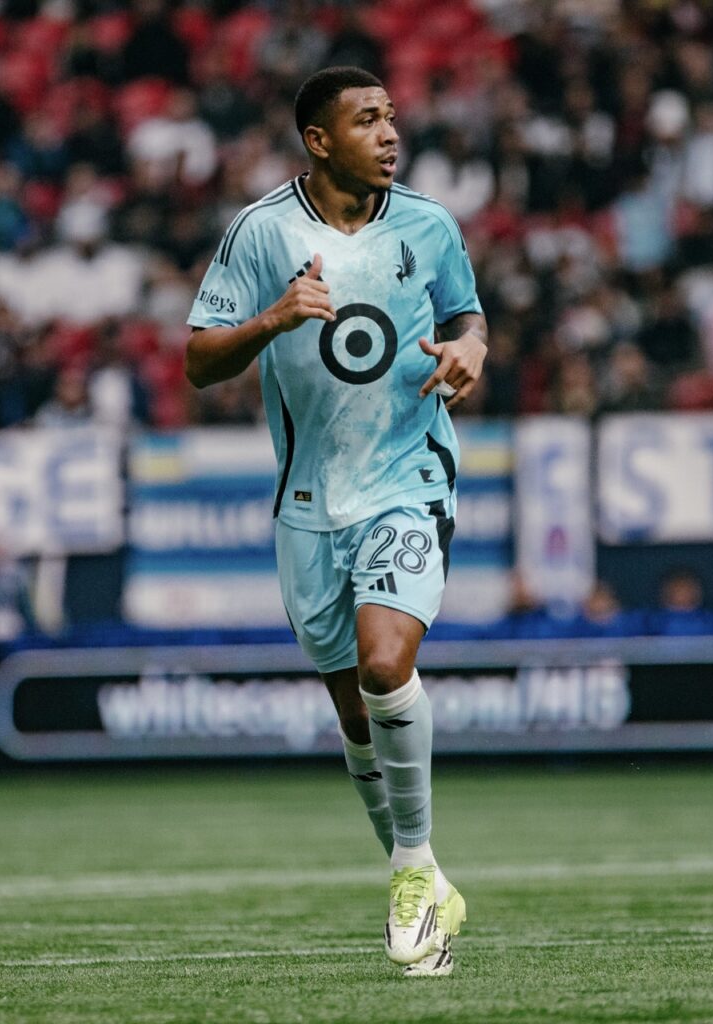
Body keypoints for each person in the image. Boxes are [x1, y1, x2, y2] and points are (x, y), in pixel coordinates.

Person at [185, 66, 487, 978]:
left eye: (391, 117)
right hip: (311, 503)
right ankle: (417, 876)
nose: (389, 134)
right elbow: (199, 360)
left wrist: (470, 349)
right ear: (318, 141)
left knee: (385, 664)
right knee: (355, 717)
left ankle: (414, 866)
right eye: (366, 120)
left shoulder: (427, 223)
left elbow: (467, 317)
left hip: (408, 477)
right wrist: (273, 319)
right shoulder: (260, 231)